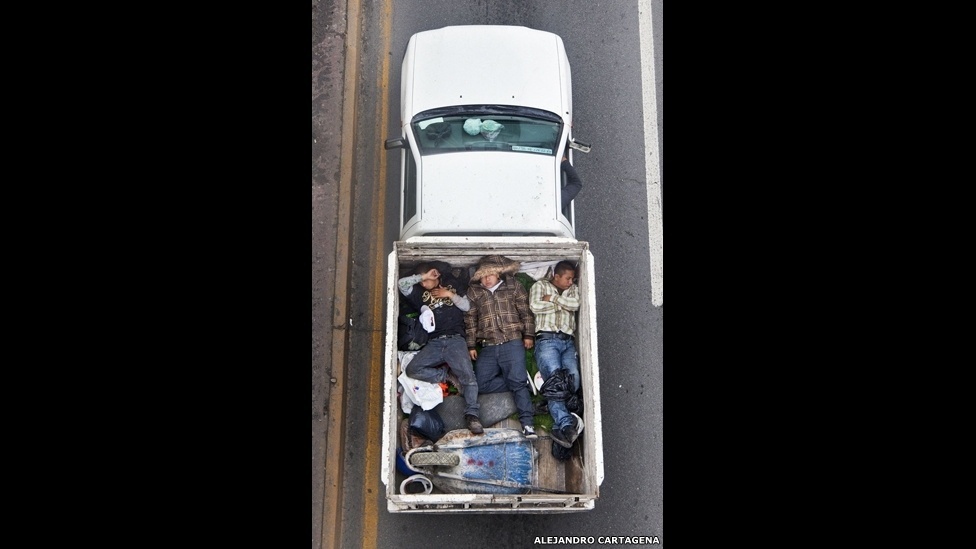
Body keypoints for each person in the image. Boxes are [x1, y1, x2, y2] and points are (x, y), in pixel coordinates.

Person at [398, 261, 484, 434]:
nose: (424, 284)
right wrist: (423, 277)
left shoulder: (451, 284)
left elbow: (467, 306)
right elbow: (402, 284)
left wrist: (449, 294)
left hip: (455, 340)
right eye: (422, 281)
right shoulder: (419, 293)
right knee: (413, 370)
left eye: (427, 280)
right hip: (434, 342)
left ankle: (472, 415)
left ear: (436, 275)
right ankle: (446, 375)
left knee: (469, 378)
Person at [464, 255, 538, 439]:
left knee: (517, 385)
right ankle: (521, 381)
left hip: (512, 342)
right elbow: (470, 320)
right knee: (480, 383)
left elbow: (525, 312)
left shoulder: (513, 286)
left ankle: (528, 425)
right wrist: (471, 344)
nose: (486, 279)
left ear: (498, 274)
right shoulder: (475, 292)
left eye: (490, 275)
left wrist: (528, 334)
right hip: (488, 346)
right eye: (483, 276)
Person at [529, 260, 583, 448]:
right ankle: (566, 426)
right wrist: (562, 305)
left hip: (568, 341)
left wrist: (552, 299)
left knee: (574, 380)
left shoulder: (572, 289)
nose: (570, 282)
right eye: (567, 278)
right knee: (556, 380)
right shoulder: (540, 286)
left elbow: (575, 304)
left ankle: (550, 409)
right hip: (547, 339)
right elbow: (535, 306)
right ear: (556, 276)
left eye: (572, 279)